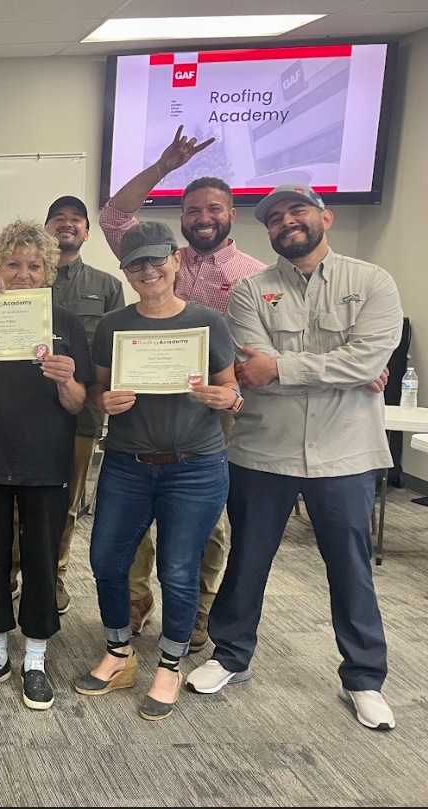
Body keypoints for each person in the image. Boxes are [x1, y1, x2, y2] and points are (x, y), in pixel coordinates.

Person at [188, 184, 403, 732]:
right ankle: (229, 656)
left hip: (345, 453)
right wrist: (334, 369)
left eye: (297, 211)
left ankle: (364, 677)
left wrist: (283, 369)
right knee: (248, 560)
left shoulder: (372, 282)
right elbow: (250, 370)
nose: (287, 222)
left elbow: (368, 359)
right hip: (264, 450)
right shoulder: (249, 292)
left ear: (324, 217)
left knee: (350, 567)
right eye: (276, 217)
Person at [100, 126, 267, 648]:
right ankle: (136, 599)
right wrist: (163, 167)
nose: (203, 218)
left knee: (202, 527)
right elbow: (112, 216)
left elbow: (272, 340)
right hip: (139, 414)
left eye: (213, 209)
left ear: (231, 214)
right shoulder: (154, 253)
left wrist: (235, 394)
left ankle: (196, 605)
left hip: (210, 411)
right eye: (193, 210)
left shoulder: (254, 274)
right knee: (131, 530)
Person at [73, 221, 235, 721]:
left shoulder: (208, 322)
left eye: (156, 259)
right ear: (125, 271)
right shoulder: (114, 326)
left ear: (176, 260)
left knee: (179, 570)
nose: (148, 270)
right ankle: (119, 653)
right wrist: (107, 400)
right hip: (127, 464)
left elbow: (232, 391)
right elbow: (100, 391)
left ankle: (170, 663)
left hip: (196, 467)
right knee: (105, 560)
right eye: (136, 263)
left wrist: (226, 397)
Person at [0, 219, 91, 710]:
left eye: (34, 266)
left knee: (41, 560)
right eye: (13, 264)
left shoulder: (66, 323)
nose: (24, 274)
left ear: (49, 270)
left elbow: (76, 403)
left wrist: (67, 380)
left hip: (44, 459)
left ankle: (35, 659)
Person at [44, 195, 124, 616]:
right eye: (59, 219)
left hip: (84, 411)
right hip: (29, 409)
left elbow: (113, 354)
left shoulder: (106, 285)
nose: (67, 225)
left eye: (76, 220)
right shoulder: (28, 278)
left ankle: (56, 572)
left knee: (67, 499)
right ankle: (17, 569)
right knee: (23, 495)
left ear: (87, 232)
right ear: (46, 228)